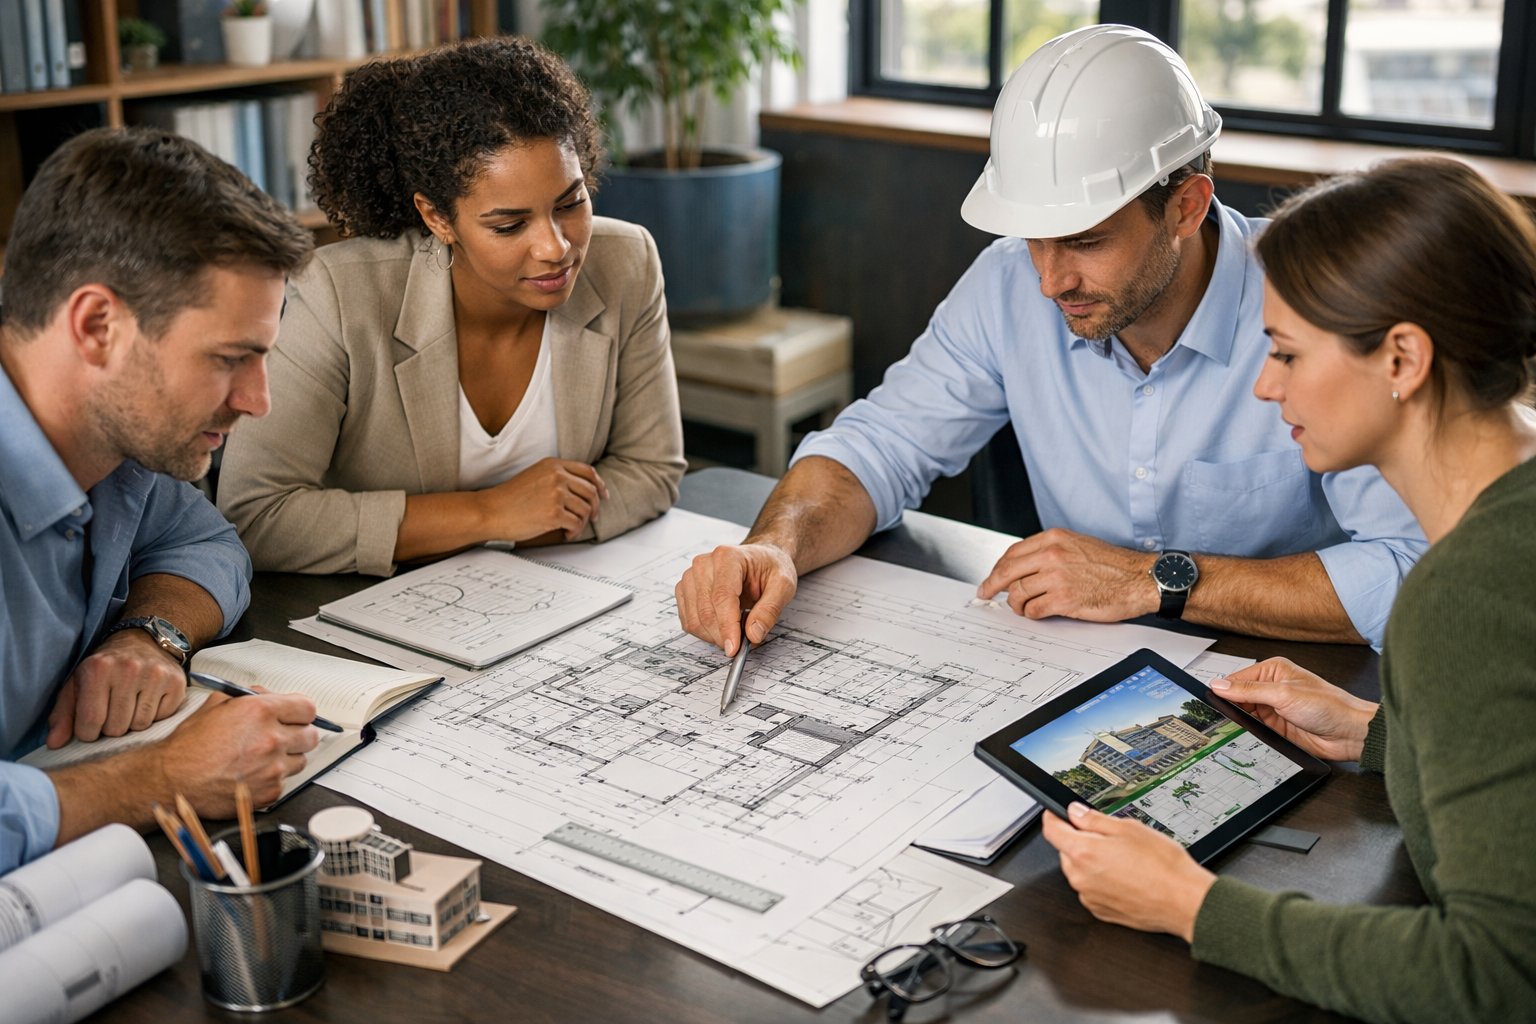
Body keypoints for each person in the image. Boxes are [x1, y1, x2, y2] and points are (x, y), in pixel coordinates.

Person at [673, 25, 1423, 654]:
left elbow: (1410, 573)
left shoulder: (1319, 308)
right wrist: (776, 545)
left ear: (1187, 207)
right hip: (1071, 665)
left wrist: (1150, 578)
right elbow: (876, 447)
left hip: (1290, 684)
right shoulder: (1007, 285)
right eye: (1033, 239)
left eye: (1086, 241)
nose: (1049, 280)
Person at [1041, 156, 1536, 1021]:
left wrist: (1191, 907)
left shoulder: (1462, 595)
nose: (1267, 387)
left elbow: (1492, 976)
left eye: (1287, 354)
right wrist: (1385, 734)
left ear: (1403, 359)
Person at [217, 37, 686, 576]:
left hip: (554, 596)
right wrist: (491, 513)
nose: (556, 247)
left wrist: (508, 535)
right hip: (370, 613)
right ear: (437, 217)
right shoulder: (341, 294)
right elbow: (255, 516)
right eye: (509, 225)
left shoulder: (625, 261)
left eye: (571, 203)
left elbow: (652, 469)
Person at [0, 127, 323, 873]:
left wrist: (149, 634)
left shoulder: (117, 441)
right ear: (97, 326)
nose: (258, 401)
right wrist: (164, 776)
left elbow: (206, 543)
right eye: (229, 360)